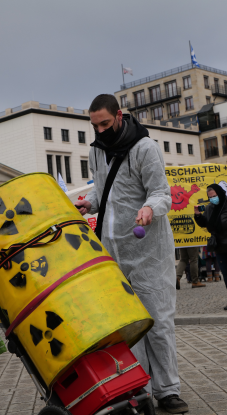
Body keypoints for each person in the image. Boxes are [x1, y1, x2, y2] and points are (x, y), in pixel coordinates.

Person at [74, 95, 188, 414]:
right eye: (94, 125)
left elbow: (160, 192)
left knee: (159, 323)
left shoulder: (144, 148)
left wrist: (150, 209)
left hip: (149, 251)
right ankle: (141, 389)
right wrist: (89, 203)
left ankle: (168, 390)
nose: (99, 130)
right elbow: (105, 189)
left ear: (119, 116)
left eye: (105, 124)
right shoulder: (96, 150)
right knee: (129, 326)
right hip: (114, 252)